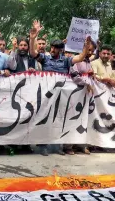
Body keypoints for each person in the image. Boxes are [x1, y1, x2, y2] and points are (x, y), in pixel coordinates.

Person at [29, 20, 85, 155]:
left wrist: (85, 47)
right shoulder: (45, 59)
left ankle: (58, 147)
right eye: (52, 47)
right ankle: (42, 146)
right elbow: (32, 52)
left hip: (62, 96)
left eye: (55, 48)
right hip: (46, 95)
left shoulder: (66, 60)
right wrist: (33, 38)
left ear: (61, 50)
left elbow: (80, 58)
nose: (52, 49)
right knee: (44, 118)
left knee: (60, 119)